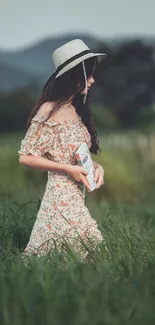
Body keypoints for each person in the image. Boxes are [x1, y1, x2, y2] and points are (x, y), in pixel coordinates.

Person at [18, 39, 106, 260]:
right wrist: (67, 169)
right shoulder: (48, 110)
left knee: (66, 253)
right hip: (59, 194)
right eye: (89, 75)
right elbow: (25, 157)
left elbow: (79, 155)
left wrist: (97, 167)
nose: (93, 80)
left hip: (77, 193)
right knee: (87, 248)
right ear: (74, 77)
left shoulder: (78, 110)